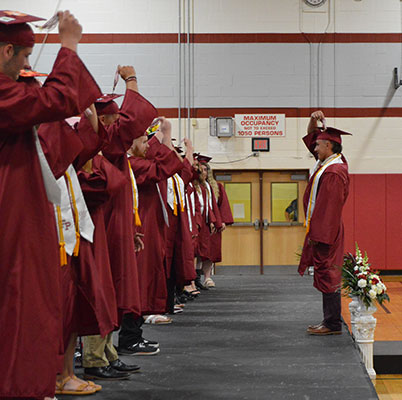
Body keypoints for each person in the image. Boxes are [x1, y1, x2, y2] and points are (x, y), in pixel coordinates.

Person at [0, 10, 102, 399]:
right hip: (10, 217)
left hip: (18, 213)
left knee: (24, 306)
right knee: (16, 305)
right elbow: (56, 99)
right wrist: (69, 44)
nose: (29, 65)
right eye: (25, 57)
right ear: (8, 50)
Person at [298, 110, 351, 336]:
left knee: (328, 272)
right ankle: (330, 320)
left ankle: (332, 324)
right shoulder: (329, 162)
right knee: (326, 272)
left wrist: (318, 238)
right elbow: (314, 140)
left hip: (326, 232)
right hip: (324, 230)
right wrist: (313, 122)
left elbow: (328, 210)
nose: (314, 149)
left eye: (318, 145)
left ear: (329, 146)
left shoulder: (333, 173)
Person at [207, 164, 234, 287]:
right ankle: (194, 279)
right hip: (201, 221)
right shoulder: (193, 187)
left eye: (206, 170)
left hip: (214, 223)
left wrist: (222, 220)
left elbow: (223, 205)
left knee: (210, 251)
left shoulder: (217, 187)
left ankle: (207, 277)